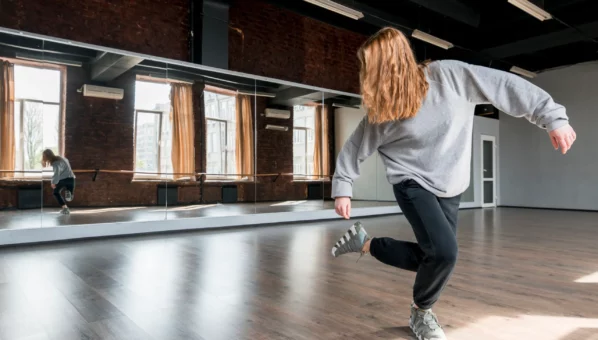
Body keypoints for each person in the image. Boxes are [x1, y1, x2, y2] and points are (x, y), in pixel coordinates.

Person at [330, 27, 576, 340]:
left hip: (450, 183)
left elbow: (503, 85)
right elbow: (356, 145)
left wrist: (551, 116)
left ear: (391, 62)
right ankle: (421, 312)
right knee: (445, 253)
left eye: (370, 65)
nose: (367, 74)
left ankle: (364, 243)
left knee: (432, 256)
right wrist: (343, 186)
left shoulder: (449, 76)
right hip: (411, 182)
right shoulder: (384, 109)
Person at [42, 149, 76, 215]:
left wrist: (53, 182)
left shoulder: (55, 163)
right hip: (71, 178)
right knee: (69, 195)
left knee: (56, 192)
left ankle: (65, 208)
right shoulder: (63, 158)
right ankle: (69, 193)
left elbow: (56, 173)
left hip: (62, 180)